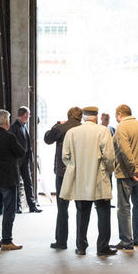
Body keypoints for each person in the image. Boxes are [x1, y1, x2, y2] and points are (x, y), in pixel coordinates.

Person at [61, 105, 118, 257]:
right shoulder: (103, 131)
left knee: (81, 213)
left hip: (80, 179)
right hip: (99, 178)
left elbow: (65, 156)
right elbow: (109, 156)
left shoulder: (72, 132)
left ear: (84, 117)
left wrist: (74, 167)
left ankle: (81, 247)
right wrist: (108, 170)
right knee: (104, 213)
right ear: (96, 117)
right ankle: (102, 247)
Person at [112, 103, 138, 251]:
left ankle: (126, 241)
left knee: (124, 208)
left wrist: (134, 171)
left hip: (126, 174)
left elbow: (125, 152)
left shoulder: (121, 128)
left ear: (119, 115)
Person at [0, 109, 26, 250]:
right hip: (8, 178)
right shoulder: (9, 137)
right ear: (7, 122)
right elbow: (21, 152)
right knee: (9, 209)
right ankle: (7, 240)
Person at [44, 105, 83, 250]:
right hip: (80, 172)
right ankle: (81, 243)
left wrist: (56, 124)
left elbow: (47, 139)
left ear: (68, 115)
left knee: (62, 208)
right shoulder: (83, 129)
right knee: (81, 208)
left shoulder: (61, 128)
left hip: (62, 172)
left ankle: (61, 241)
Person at [9, 106, 40, 213]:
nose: (29, 116)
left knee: (28, 181)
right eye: (29, 114)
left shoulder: (24, 126)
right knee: (17, 182)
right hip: (17, 159)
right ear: (25, 115)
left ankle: (32, 205)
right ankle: (17, 206)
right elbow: (13, 144)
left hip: (25, 158)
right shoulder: (13, 127)